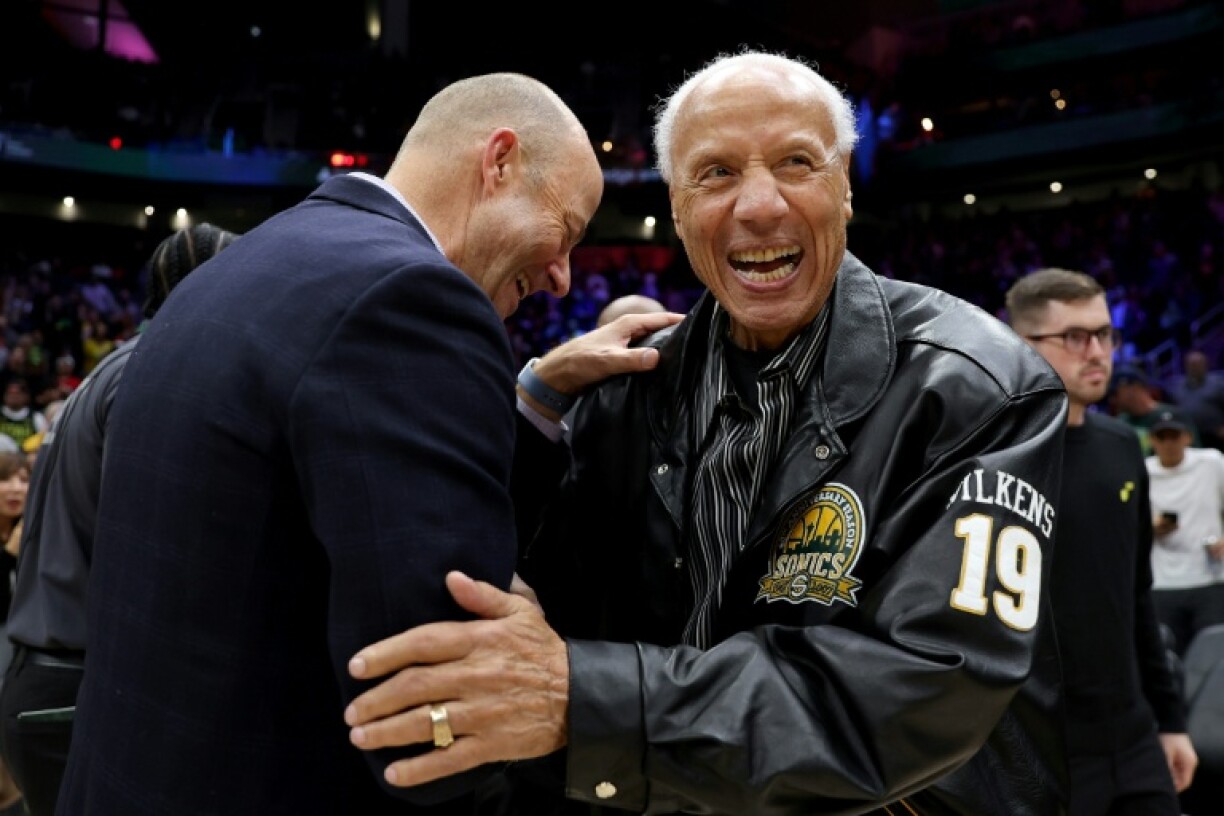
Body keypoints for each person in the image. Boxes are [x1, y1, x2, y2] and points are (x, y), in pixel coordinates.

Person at [343, 50, 1071, 815]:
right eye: (716, 173)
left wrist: (586, 702)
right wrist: (532, 404)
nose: (759, 206)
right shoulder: (622, 395)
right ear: (679, 208)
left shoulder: (980, 388)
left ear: (845, 186)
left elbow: (926, 688)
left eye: (797, 162)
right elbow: (528, 618)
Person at [55, 72, 613, 816]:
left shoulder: (248, 262)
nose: (562, 277)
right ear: (499, 161)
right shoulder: (413, 299)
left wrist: (535, 398)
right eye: (566, 232)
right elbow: (435, 729)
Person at [0, 223, 239, 816]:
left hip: (50, 673)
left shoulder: (123, 364)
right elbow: (151, 547)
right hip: (73, 684)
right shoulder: (150, 373)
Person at [1005, 267, 1197, 814]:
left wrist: (1171, 721)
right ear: (1023, 344)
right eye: (1074, 337)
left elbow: (1137, 595)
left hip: (1132, 734)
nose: (1098, 352)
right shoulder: (989, 457)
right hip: (1040, 745)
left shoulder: (1120, 446)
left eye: (1105, 334)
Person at [1146, 406, 1224, 658]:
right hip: (1162, 582)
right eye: (1162, 437)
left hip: (1209, 579)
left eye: (1175, 436)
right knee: (1167, 658)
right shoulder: (1141, 471)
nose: (1169, 443)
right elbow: (1124, 526)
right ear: (1151, 440)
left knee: (1213, 659)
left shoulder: (1212, 462)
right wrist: (1151, 528)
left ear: (1187, 437)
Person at [1112, 365, 1200, 456]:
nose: (1113, 400)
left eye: (1115, 393)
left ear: (1133, 389)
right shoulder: (1120, 422)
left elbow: (1196, 455)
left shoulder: (1175, 417)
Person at [1165, 350, 1224, 452]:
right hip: (1188, 435)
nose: (1194, 367)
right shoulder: (1177, 387)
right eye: (1191, 364)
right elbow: (1172, 410)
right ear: (1186, 366)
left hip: (1215, 435)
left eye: (1197, 364)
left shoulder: (1218, 384)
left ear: (1205, 365)